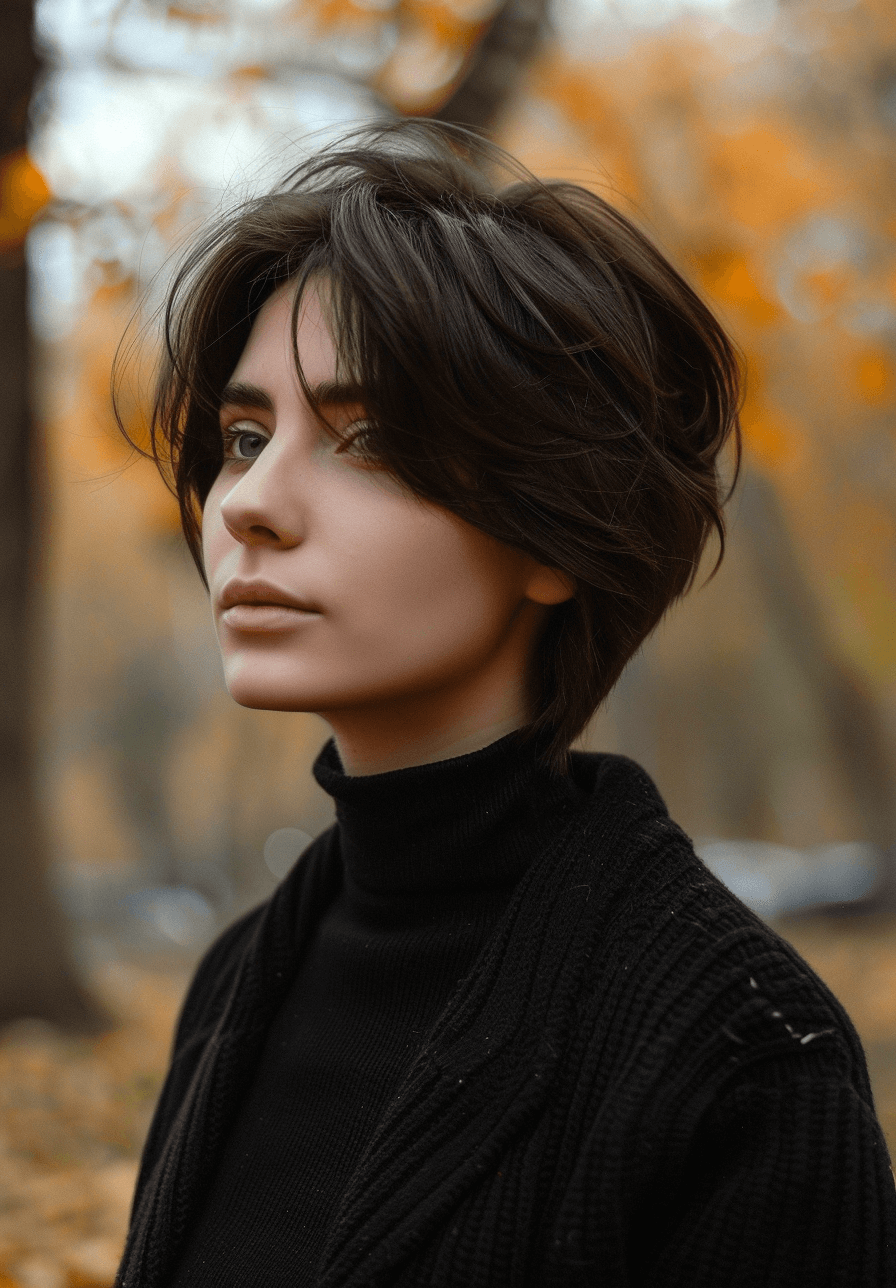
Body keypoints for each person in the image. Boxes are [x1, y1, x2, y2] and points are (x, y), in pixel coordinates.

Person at [114, 120, 896, 1288]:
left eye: (365, 434)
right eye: (243, 436)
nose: (248, 507)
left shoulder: (739, 1055)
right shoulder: (238, 980)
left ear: (556, 526)